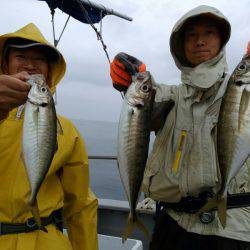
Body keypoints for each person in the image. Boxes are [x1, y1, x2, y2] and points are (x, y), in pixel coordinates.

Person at [110, 5, 250, 250]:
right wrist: (133, 80)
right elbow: (147, 105)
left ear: (222, 41)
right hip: (173, 223)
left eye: (209, 33)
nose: (200, 41)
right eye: (191, 35)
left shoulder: (239, 91)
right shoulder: (171, 96)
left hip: (232, 229)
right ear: (180, 45)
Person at [0, 23, 98, 250]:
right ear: (5, 64)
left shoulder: (66, 130)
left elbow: (80, 204)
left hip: (47, 241)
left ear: (49, 70)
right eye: (21, 56)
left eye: (39, 59)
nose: (30, 65)